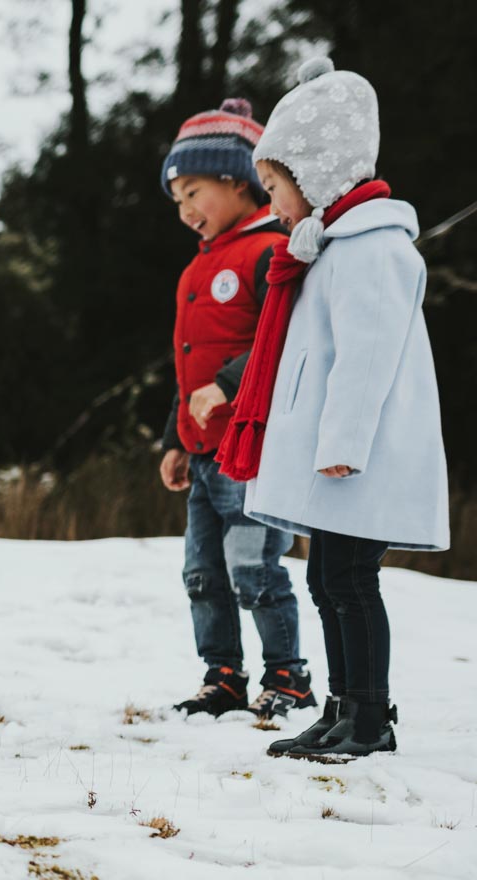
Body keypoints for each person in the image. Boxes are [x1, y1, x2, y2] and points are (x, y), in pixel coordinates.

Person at [216, 58, 450, 760]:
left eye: (277, 186)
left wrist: (342, 441)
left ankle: (371, 717)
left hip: (356, 456)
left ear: (317, 175)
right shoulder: (327, 248)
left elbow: (366, 356)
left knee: (350, 579)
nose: (274, 203)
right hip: (333, 460)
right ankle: (343, 707)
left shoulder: (373, 250)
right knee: (327, 577)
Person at [158, 98, 315, 719]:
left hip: (251, 453)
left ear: (237, 178)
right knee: (202, 571)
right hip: (201, 453)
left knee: (253, 565)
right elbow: (188, 362)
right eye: (176, 200)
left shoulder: (270, 251)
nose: (185, 210)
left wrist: (226, 384)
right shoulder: (198, 268)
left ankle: (287, 675)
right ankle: (222, 674)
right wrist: (174, 436)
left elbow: (281, 343)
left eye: (193, 191)